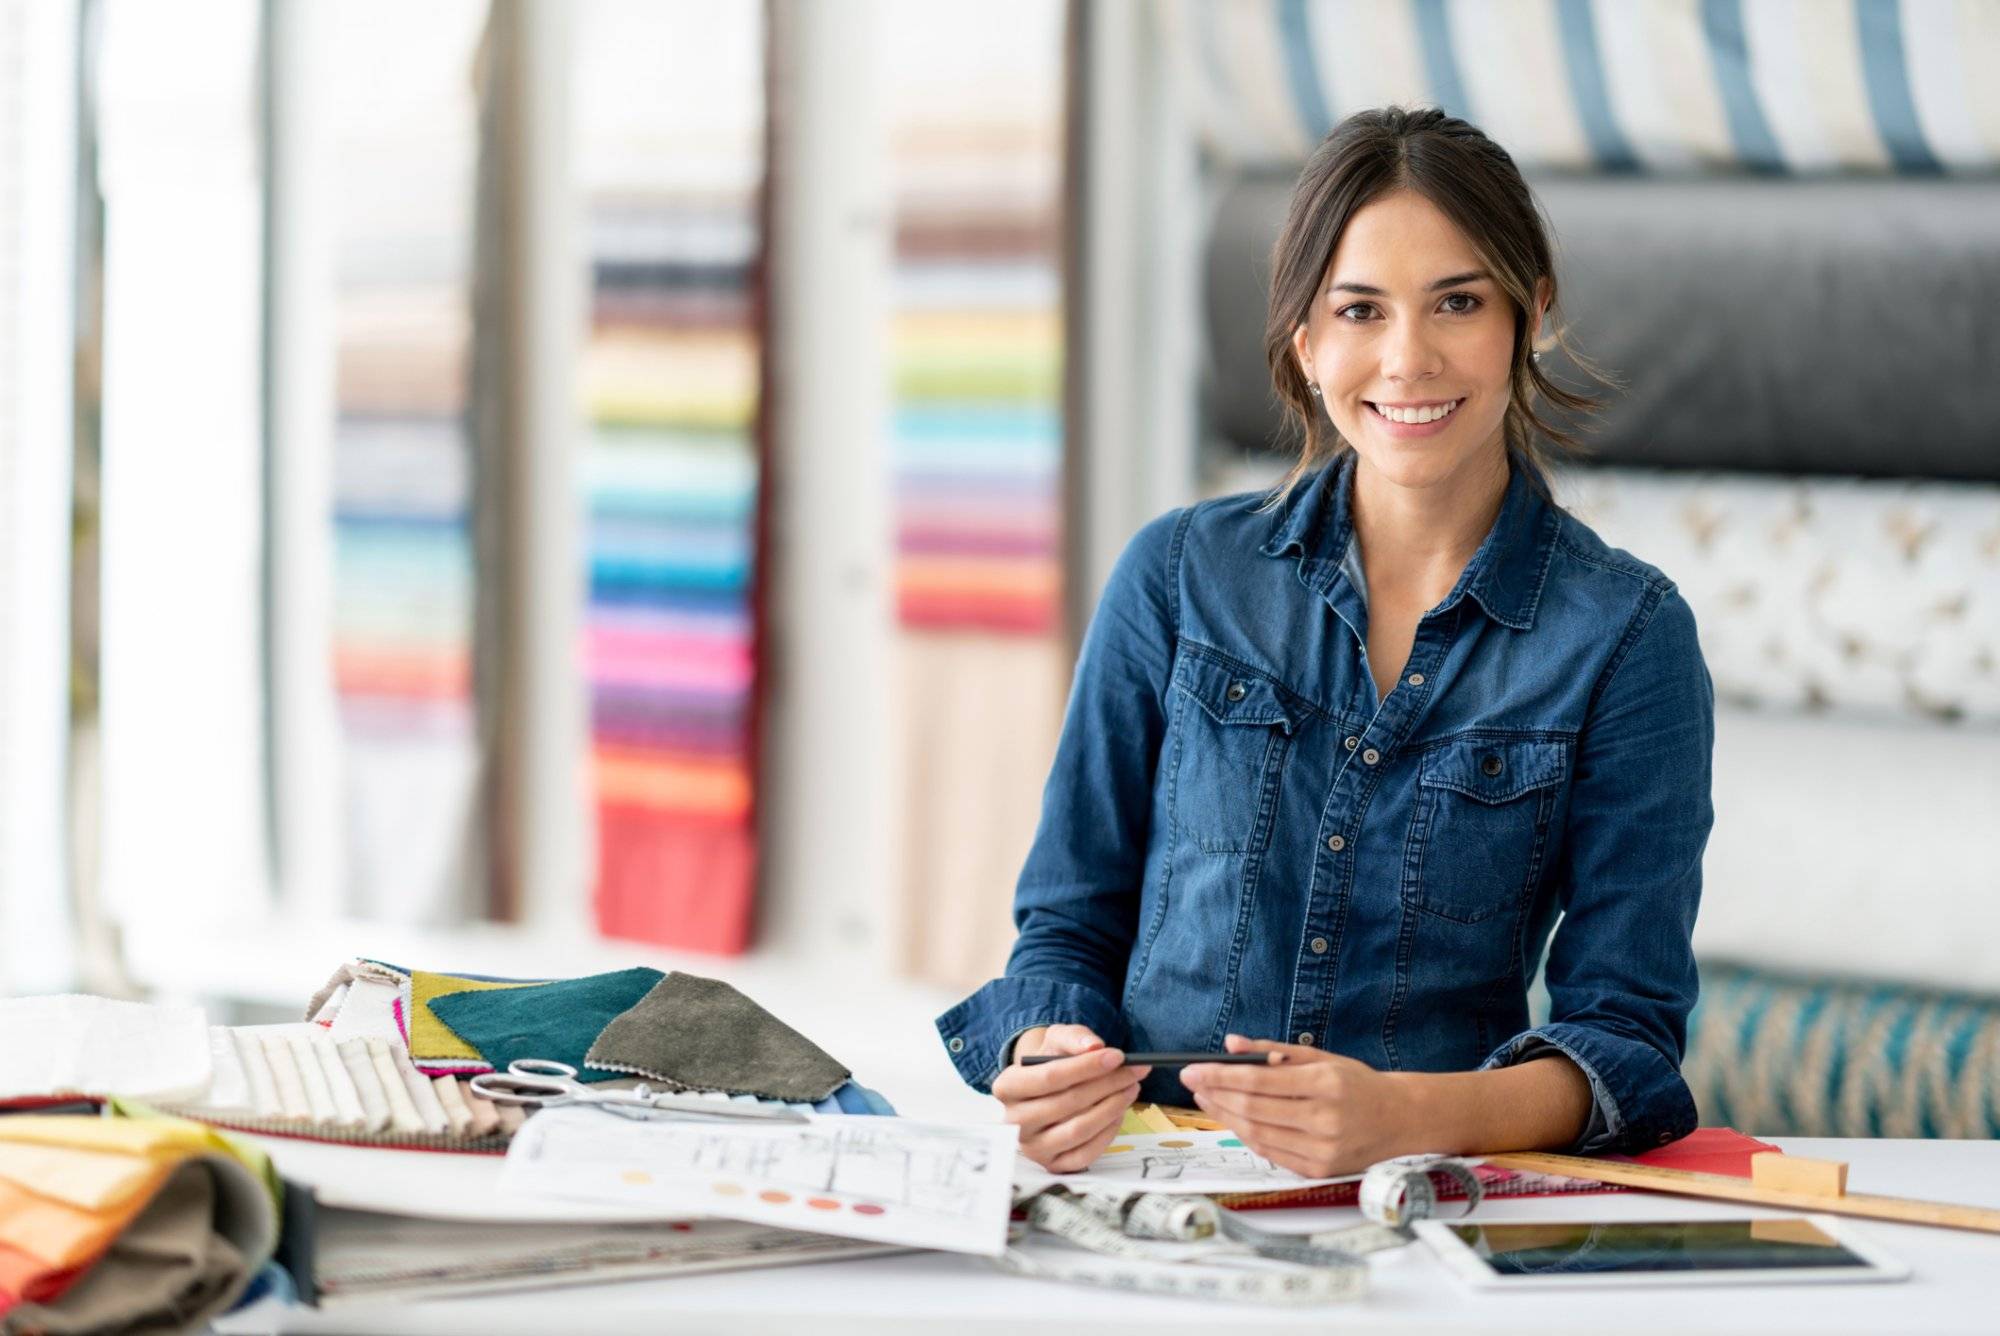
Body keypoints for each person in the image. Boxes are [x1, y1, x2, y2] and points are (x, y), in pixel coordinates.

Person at [935, 106, 1716, 1177]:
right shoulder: (1174, 575)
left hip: (1427, 1197)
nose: (1406, 358)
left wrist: (1403, 1116)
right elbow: (1068, 922)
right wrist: (1043, 1053)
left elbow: (1624, 1035)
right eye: (1359, 310)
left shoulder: (1627, 637)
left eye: (1456, 301)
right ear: (1305, 344)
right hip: (1145, 1182)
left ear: (1528, 315)